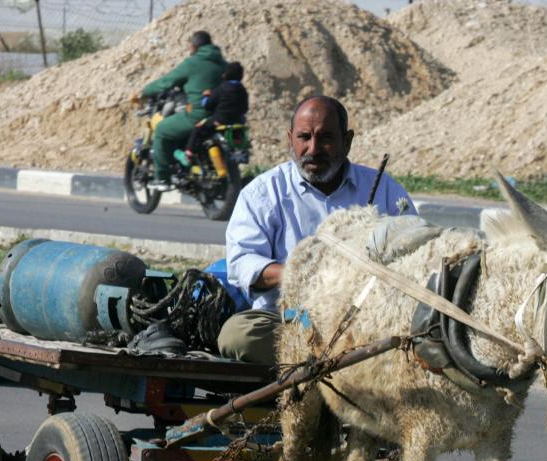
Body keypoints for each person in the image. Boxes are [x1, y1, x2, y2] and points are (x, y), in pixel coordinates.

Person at [217, 95, 417, 364]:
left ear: (346, 142)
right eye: (304, 137)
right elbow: (243, 264)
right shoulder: (263, 192)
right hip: (291, 322)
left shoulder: (383, 189)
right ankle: (338, 362)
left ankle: (332, 361)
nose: (313, 148)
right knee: (238, 336)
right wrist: (305, 271)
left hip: (366, 321)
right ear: (291, 139)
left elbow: (415, 250)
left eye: (325, 138)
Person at [139, 30, 226, 192]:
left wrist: (145, 92)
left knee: (162, 130)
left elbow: (167, 81)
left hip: (198, 115)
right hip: (222, 116)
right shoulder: (223, 63)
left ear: (194, 46)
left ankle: (163, 179)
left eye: (190, 46)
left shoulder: (193, 62)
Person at [185, 61, 249, 160]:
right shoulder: (242, 90)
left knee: (198, 129)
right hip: (238, 122)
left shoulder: (221, 88)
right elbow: (245, 108)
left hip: (219, 121)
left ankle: (190, 152)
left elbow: (207, 105)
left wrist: (206, 96)